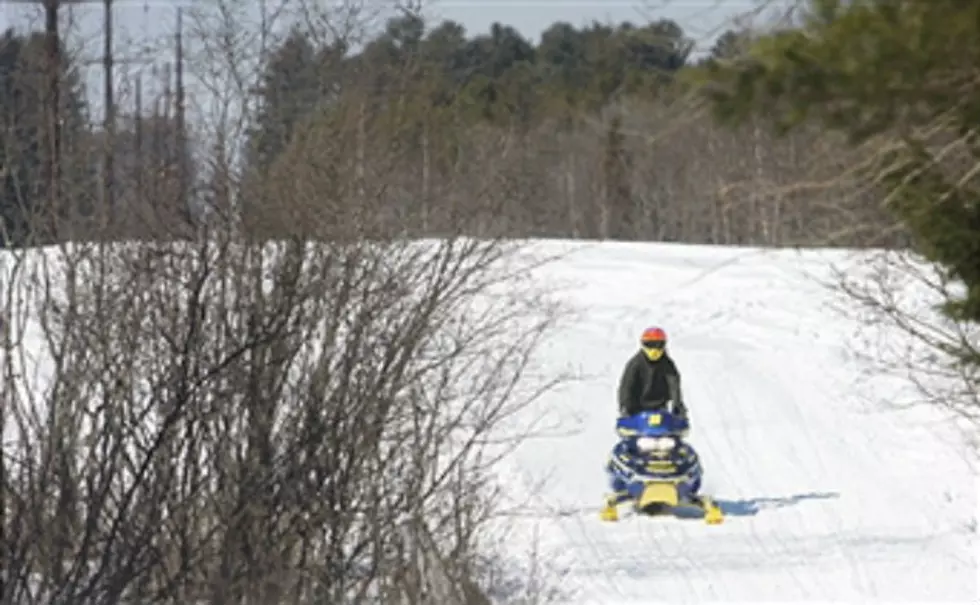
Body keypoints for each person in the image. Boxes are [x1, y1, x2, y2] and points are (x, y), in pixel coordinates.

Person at [616, 326, 687, 420]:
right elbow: (626, 386)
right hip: (637, 409)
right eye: (650, 344)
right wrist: (625, 406)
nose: (654, 350)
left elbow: (674, 385)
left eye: (658, 345)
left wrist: (677, 405)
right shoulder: (635, 363)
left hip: (660, 408)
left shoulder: (667, 364)